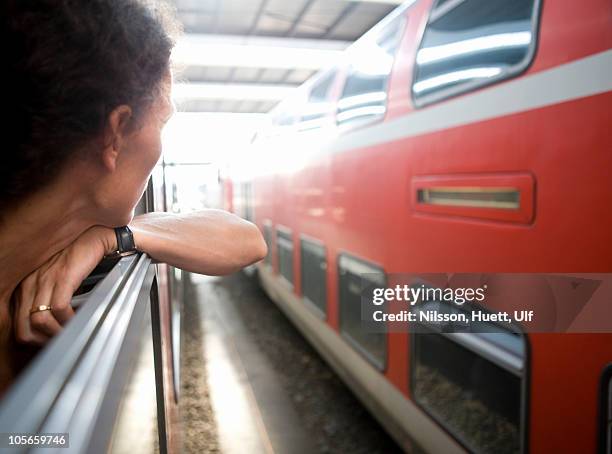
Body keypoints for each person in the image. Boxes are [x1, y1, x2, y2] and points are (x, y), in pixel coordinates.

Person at [0, 0, 267, 394]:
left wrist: (116, 237)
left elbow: (247, 240)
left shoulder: (72, 241)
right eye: (162, 122)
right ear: (116, 133)